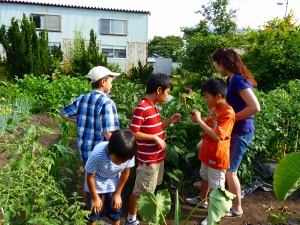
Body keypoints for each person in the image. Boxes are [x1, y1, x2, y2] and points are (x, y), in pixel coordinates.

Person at [124, 73, 181, 225]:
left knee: (150, 188)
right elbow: (133, 132)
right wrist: (155, 138)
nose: (167, 96)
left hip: (157, 158)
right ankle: (130, 219)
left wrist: (168, 121)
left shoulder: (153, 107)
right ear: (158, 90)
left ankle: (142, 211)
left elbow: (153, 129)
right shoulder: (142, 107)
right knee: (140, 190)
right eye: (167, 93)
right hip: (148, 160)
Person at [59, 66, 121, 205]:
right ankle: (96, 216)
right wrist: (121, 148)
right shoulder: (107, 102)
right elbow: (107, 132)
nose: (111, 85)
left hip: (85, 149)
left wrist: (79, 120)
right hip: (101, 152)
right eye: (111, 81)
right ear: (103, 82)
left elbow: (63, 113)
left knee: (89, 179)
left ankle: (88, 213)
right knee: (101, 184)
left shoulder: (82, 98)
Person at [211, 47, 260, 218]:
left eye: (216, 64)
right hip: (235, 130)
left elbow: (255, 107)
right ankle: (227, 201)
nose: (216, 67)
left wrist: (230, 119)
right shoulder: (232, 80)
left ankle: (237, 208)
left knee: (231, 171)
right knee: (227, 169)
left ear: (222, 63)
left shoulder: (238, 80)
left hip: (241, 131)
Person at [186, 78, 235, 225]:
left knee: (217, 187)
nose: (206, 99)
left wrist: (200, 121)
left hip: (217, 156)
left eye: (207, 96)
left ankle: (214, 216)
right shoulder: (214, 108)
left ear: (218, 97)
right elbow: (210, 123)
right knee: (205, 177)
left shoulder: (228, 114)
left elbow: (217, 136)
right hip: (207, 152)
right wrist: (200, 120)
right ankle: (203, 201)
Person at [85, 129, 137, 225]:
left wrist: (117, 193)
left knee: (115, 209)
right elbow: (89, 177)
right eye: (117, 161)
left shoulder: (128, 154)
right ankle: (94, 218)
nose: (120, 164)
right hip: (95, 179)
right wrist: (95, 197)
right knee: (94, 211)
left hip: (113, 179)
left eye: (123, 162)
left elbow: (125, 173)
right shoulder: (97, 155)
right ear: (110, 150)